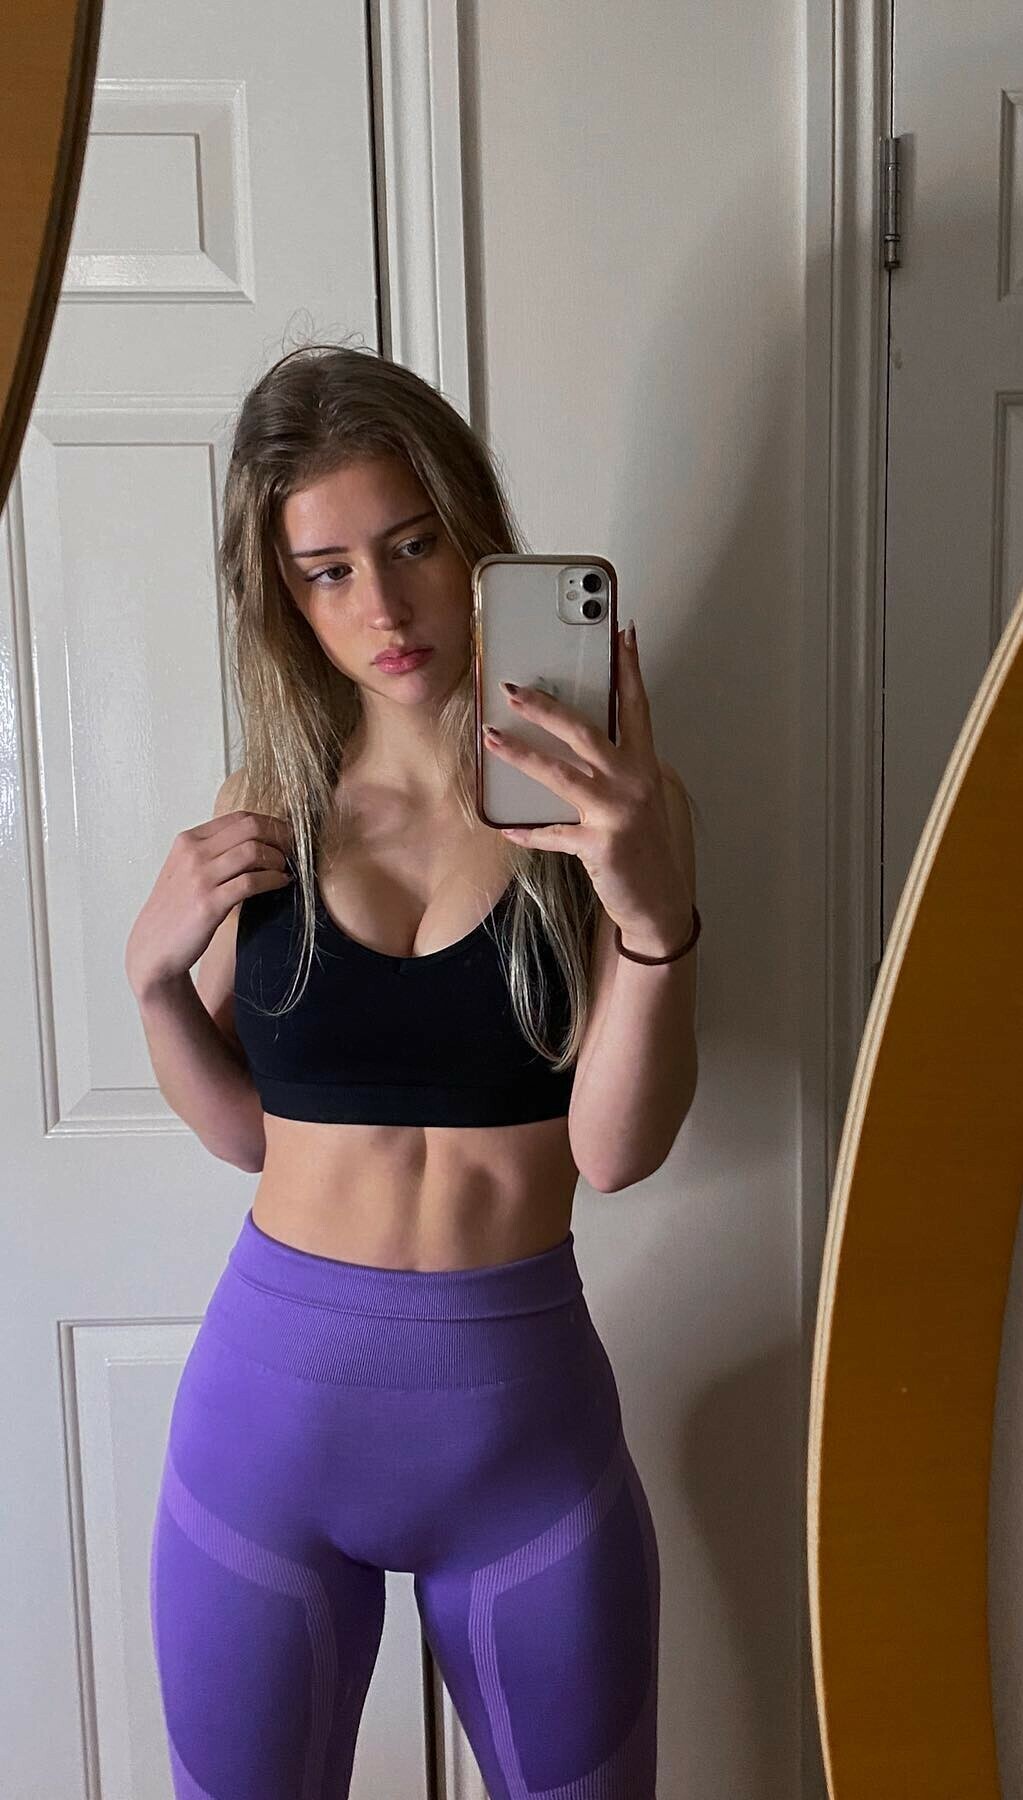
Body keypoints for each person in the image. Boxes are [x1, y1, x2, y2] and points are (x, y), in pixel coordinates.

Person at [124, 341, 700, 1799]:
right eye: (327, 572)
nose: (380, 608)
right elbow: (248, 1136)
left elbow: (617, 1152)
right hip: (265, 1428)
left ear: (472, 535)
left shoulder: (603, 805)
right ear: (286, 598)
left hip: (524, 1441)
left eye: (411, 545)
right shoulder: (270, 806)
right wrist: (150, 980)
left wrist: (651, 916)